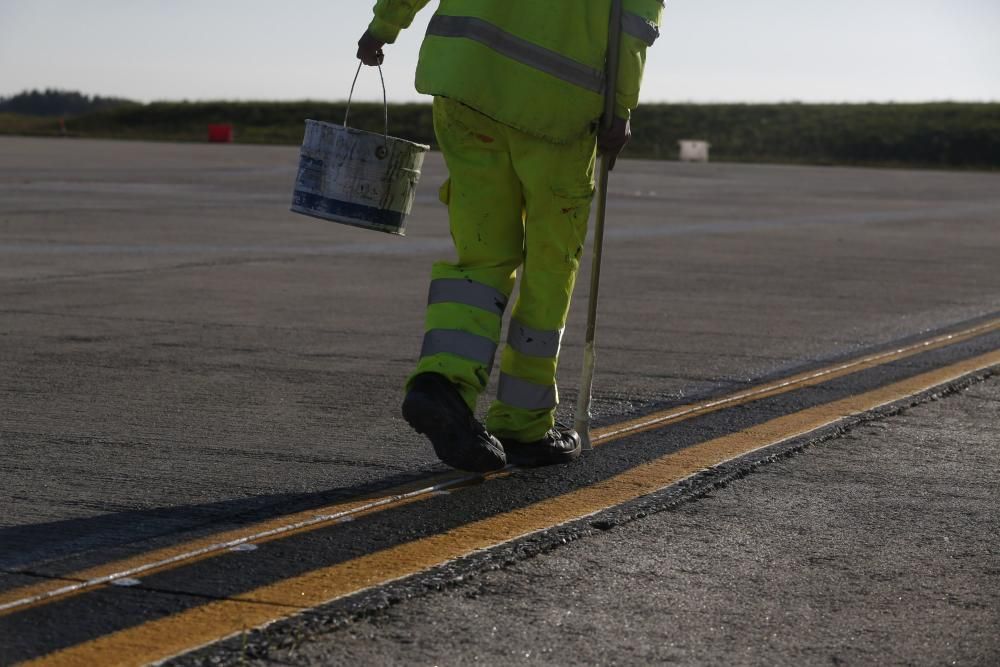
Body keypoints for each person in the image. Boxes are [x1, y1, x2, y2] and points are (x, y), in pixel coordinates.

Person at [358, 0, 663, 472]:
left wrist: (383, 27)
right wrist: (620, 108)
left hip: (465, 83)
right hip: (560, 106)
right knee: (549, 263)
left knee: (482, 255)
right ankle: (524, 424)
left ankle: (442, 382)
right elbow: (635, 24)